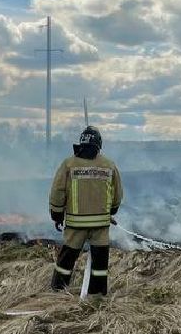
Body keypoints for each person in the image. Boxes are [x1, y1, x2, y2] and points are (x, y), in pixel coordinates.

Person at [48, 126, 124, 296]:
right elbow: (117, 194)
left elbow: (57, 192)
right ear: (99, 144)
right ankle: (97, 296)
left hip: (75, 227)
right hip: (101, 227)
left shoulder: (68, 164)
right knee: (100, 266)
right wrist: (111, 211)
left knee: (65, 262)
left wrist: (57, 214)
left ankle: (57, 292)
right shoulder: (109, 165)